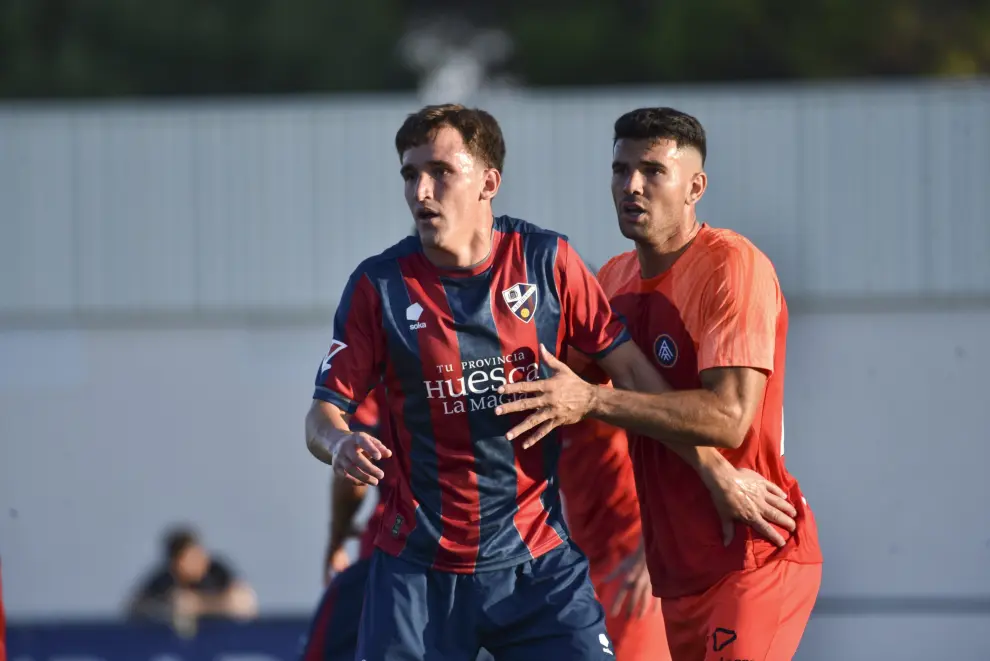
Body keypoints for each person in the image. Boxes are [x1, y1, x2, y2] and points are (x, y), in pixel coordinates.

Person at [304, 103, 795, 661]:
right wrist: (340, 442)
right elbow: (321, 415)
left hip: (535, 563)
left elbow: (634, 376)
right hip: (418, 568)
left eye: (440, 172)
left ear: (489, 181)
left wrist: (715, 472)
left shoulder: (549, 263)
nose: (421, 191)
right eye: (410, 174)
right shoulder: (379, 286)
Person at [497, 107, 823, 661]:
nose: (632, 186)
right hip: (677, 567)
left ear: (695, 186)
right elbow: (549, 382)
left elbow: (728, 417)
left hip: (750, 548)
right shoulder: (614, 279)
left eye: (652, 171)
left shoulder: (732, 266)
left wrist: (594, 399)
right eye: (621, 170)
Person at [127, 526, 258, 624]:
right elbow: (135, 607)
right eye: (189, 557)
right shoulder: (164, 581)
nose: (198, 560)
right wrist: (167, 608)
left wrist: (200, 605)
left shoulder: (217, 571)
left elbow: (244, 602)